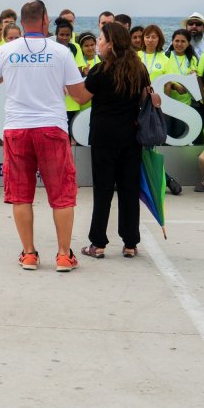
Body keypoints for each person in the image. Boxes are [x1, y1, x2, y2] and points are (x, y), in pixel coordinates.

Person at [0, 0, 91, 272]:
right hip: (51, 127)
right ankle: (63, 255)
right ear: (45, 20)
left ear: (21, 21)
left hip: (17, 128)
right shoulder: (61, 51)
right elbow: (80, 96)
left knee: (21, 194)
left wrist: (10, 75)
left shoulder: (7, 50)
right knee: (61, 193)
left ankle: (29, 254)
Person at [80, 23, 152, 259]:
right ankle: (130, 243)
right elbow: (145, 98)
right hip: (131, 136)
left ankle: (98, 243)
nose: (97, 44)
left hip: (104, 137)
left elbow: (81, 98)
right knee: (129, 189)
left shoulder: (99, 71)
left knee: (103, 190)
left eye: (101, 39)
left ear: (111, 44)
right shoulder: (139, 68)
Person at [164, 28, 201, 139]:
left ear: (188, 43)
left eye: (183, 41)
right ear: (172, 41)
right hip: (167, 103)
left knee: (179, 134)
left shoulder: (192, 59)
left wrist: (192, 77)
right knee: (166, 135)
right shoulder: (166, 56)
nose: (179, 44)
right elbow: (162, 77)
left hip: (185, 104)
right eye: (177, 41)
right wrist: (174, 85)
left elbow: (193, 78)